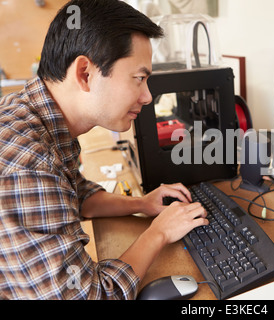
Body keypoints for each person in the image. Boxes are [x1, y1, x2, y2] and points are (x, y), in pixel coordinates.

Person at [0, 0, 208, 299]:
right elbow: (91, 295)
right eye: (139, 78)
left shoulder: (34, 114)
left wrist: (142, 204)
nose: (148, 96)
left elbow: (78, 195)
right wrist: (159, 232)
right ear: (85, 73)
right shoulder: (29, 164)